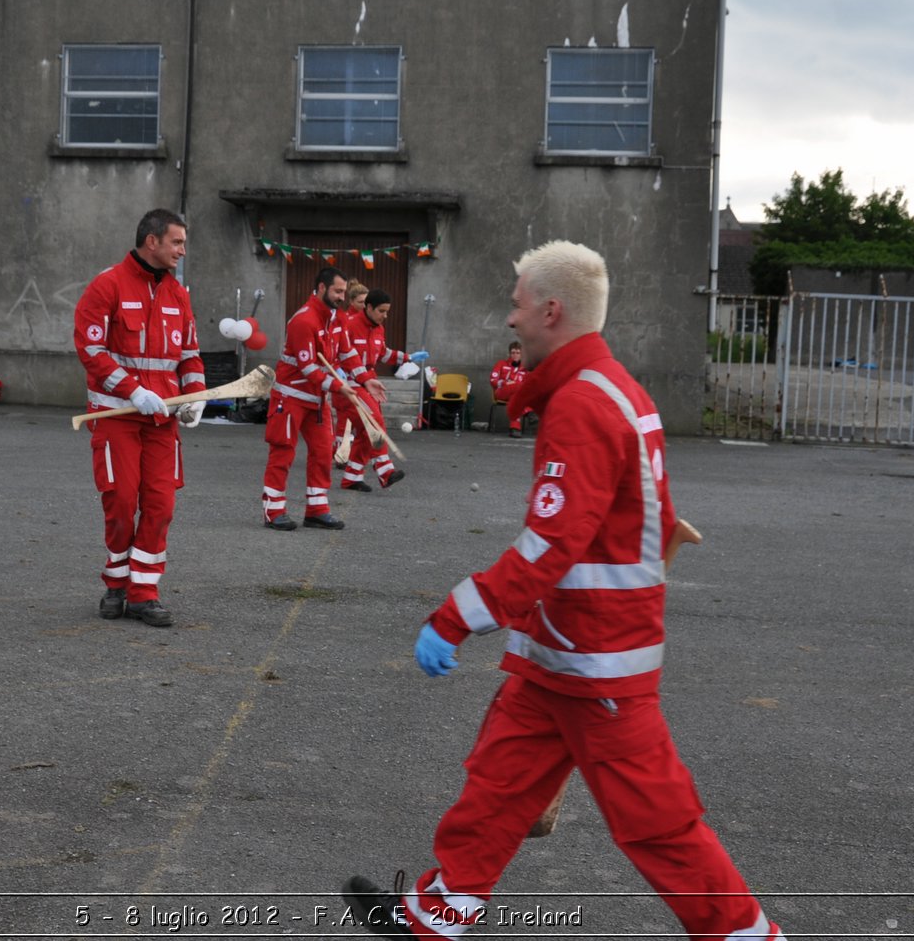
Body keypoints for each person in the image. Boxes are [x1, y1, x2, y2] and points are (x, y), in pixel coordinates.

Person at [342, 241, 781, 941]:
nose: (509, 317)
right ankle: (434, 916)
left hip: (598, 660)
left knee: (658, 824)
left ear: (551, 310)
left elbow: (549, 546)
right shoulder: (613, 391)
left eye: (517, 303)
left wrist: (454, 617)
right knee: (496, 786)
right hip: (563, 656)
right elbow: (650, 520)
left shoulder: (581, 403)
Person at [73, 208, 206, 628]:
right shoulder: (107, 285)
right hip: (116, 415)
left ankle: (144, 592)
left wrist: (195, 395)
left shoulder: (179, 295)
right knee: (121, 501)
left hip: (163, 421)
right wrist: (134, 390)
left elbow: (189, 354)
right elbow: (91, 351)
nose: (182, 251)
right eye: (177, 242)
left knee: (160, 504)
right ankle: (116, 582)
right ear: (153, 241)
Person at [261, 266, 372, 530]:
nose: (341, 296)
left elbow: (348, 355)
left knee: (323, 453)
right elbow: (308, 368)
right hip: (290, 398)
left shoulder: (338, 318)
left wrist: (367, 380)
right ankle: (273, 511)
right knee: (283, 452)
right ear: (321, 288)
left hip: (317, 400)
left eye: (344, 291)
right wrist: (339, 386)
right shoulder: (303, 320)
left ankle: (317, 509)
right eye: (337, 291)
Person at [340, 288, 427, 490]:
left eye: (387, 311)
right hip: (349, 386)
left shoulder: (379, 328)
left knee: (364, 432)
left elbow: (383, 354)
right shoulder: (350, 326)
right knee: (374, 422)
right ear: (368, 307)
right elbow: (341, 353)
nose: (385, 316)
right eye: (381, 311)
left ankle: (352, 478)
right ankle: (385, 471)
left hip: (368, 384)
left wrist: (409, 357)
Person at [488, 340, 528, 436]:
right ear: (509, 354)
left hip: (516, 394)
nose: (515, 355)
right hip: (501, 392)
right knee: (519, 387)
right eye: (513, 353)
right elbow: (493, 380)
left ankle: (515, 428)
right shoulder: (501, 364)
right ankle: (529, 410)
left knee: (515, 397)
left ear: (521, 354)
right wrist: (504, 383)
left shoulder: (525, 368)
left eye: (518, 353)